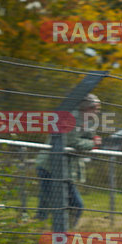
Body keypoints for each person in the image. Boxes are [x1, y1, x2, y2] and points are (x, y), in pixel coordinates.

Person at [35, 93, 101, 227]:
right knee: (74, 204)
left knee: (48, 203)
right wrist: (92, 144)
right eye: (94, 107)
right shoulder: (73, 118)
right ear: (86, 106)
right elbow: (72, 141)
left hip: (59, 167)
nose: (97, 110)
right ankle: (62, 232)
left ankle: (42, 228)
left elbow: (87, 137)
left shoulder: (85, 120)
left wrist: (92, 140)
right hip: (52, 166)